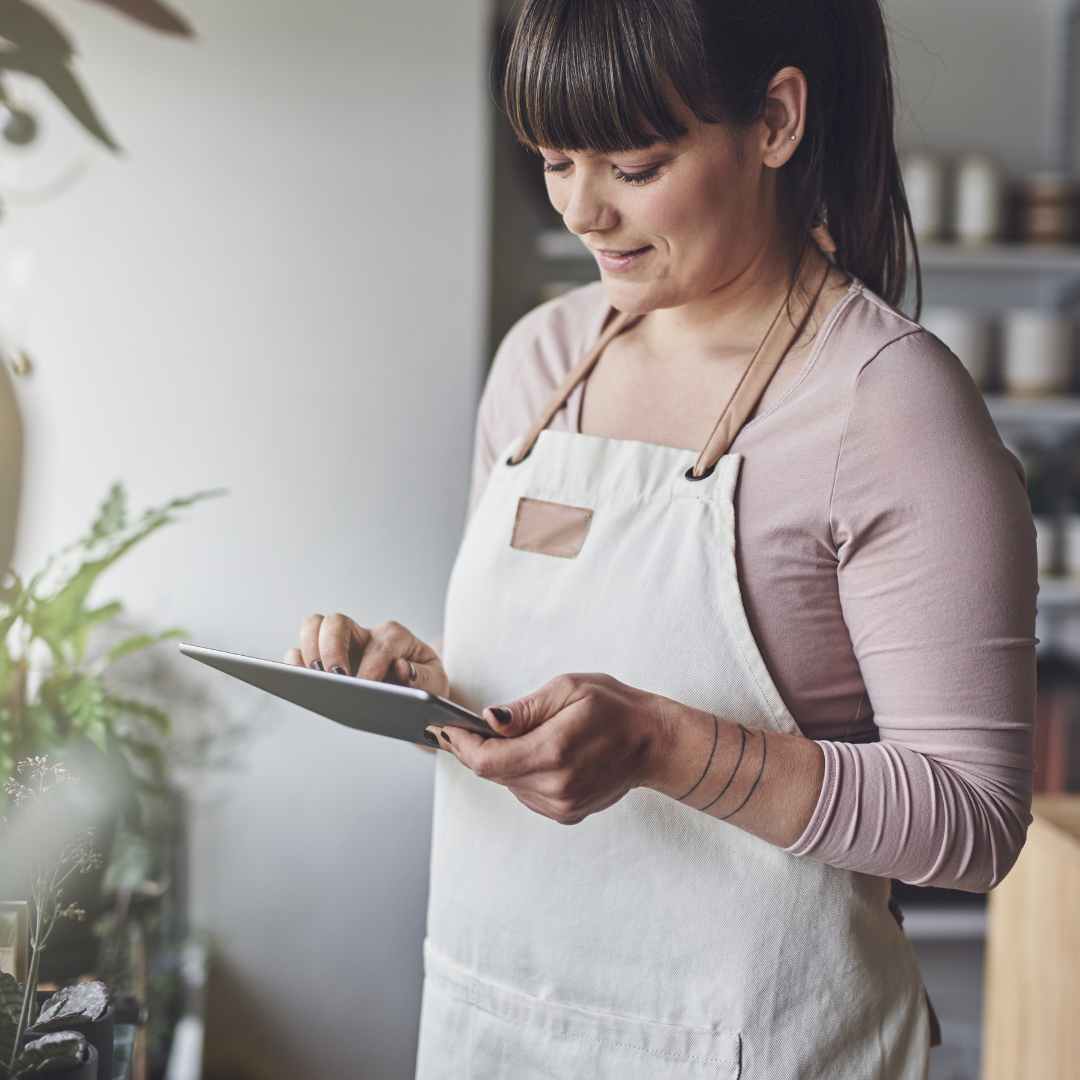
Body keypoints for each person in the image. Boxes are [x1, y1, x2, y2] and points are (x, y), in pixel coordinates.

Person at [286, 1, 1038, 1076]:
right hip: (493, 1025)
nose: (584, 211)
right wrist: (434, 694)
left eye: (635, 165)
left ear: (775, 121)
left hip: (762, 1047)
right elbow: (550, 717)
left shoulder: (888, 406)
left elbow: (974, 825)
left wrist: (668, 748)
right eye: (554, 159)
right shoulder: (541, 363)